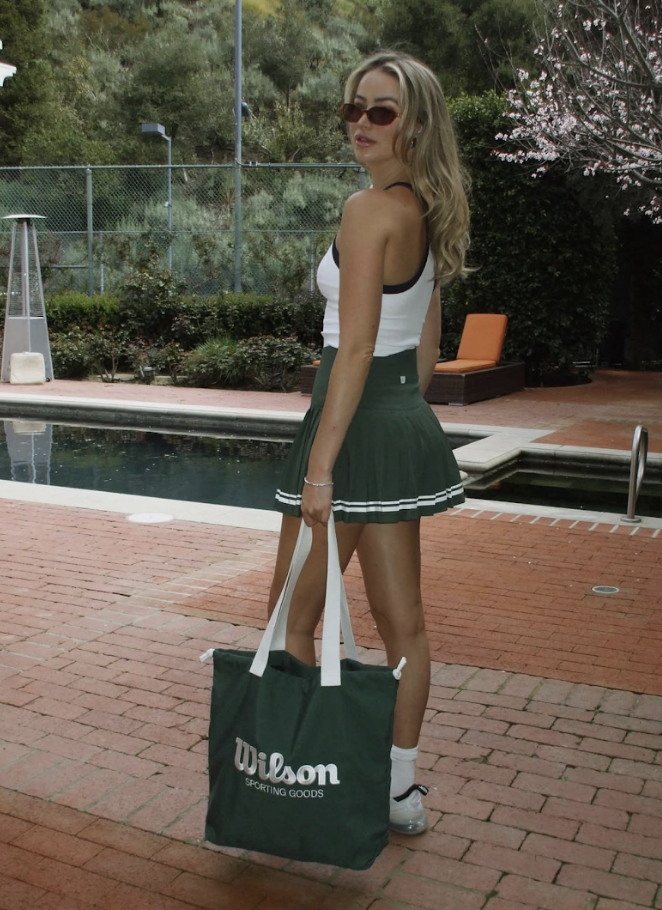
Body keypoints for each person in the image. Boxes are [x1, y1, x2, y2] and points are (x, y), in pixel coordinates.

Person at [269, 50, 471, 836]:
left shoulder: (366, 210)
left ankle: (290, 775)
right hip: (392, 422)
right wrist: (389, 420)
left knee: (293, 612)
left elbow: (352, 348)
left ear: (413, 122)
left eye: (380, 111)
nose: (361, 122)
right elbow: (422, 353)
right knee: (405, 625)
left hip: (343, 425)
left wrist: (322, 465)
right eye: (352, 108)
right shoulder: (426, 208)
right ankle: (398, 790)